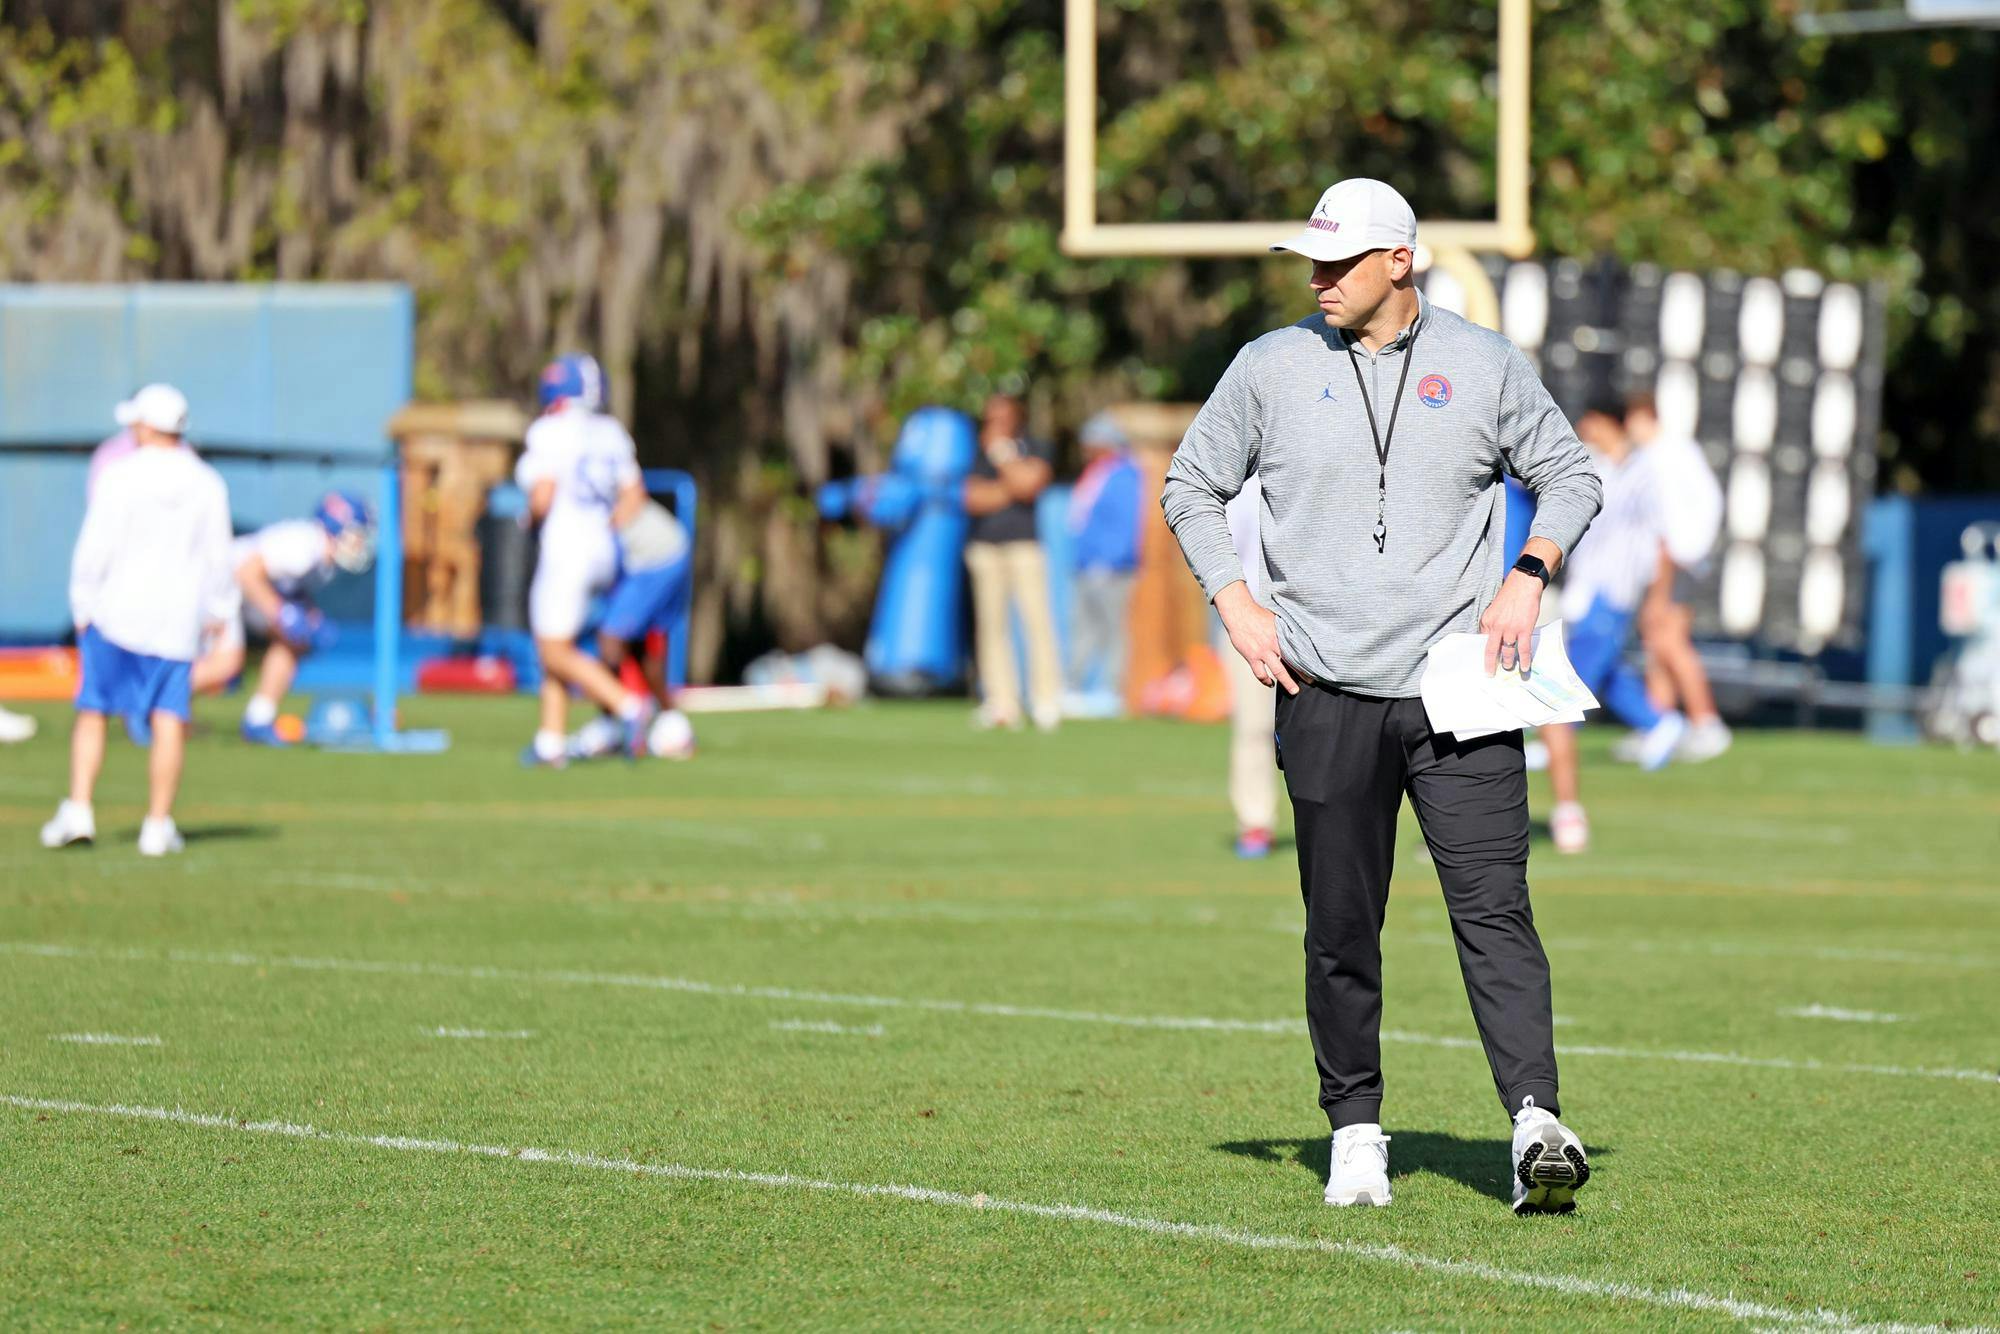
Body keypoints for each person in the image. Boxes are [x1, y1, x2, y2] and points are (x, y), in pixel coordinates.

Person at [1160, 178, 1602, 1215]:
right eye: (1308, 260)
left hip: (1460, 690)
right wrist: (1233, 598)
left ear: (1398, 260)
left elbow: (1570, 476)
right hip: (1323, 687)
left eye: (1336, 261)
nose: (1315, 278)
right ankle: (1354, 1130)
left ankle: (1536, 1117)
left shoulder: (1486, 365)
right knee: (1339, 926)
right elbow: (1189, 483)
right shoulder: (1266, 367)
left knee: (1494, 911)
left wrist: (1526, 572)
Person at [41, 384, 236, 857]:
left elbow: (95, 545)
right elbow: (218, 555)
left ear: (149, 426)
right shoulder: (208, 482)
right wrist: (217, 611)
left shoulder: (120, 475)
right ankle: (157, 822)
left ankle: (81, 807)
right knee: (169, 716)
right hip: (176, 620)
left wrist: (82, 601)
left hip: (117, 611)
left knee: (94, 711)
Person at [1540, 399, 1689, 854]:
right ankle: (1659, 724)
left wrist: (1658, 594)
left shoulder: (1645, 474)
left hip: (1617, 589)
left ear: (1610, 422)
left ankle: (1557, 751)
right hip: (1587, 587)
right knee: (1601, 670)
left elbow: (1662, 540)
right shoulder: (1596, 465)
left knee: (1571, 681)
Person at [517, 354, 657, 767]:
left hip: (567, 548)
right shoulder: (611, 431)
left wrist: (530, 517)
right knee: (559, 641)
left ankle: (628, 706)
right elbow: (635, 496)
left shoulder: (550, 431)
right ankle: (551, 740)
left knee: (552, 649)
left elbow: (542, 496)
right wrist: (605, 528)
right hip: (603, 548)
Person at [191, 491, 376, 745]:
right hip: (222, 584)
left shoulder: (324, 562)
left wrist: (312, 618)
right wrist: (283, 614)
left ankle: (258, 719)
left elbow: (290, 591)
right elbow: (247, 572)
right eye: (356, 535)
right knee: (225, 664)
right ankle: (152, 704)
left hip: (243, 590)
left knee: (294, 641)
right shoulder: (305, 546)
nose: (360, 544)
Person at [1620, 391, 1731, 763]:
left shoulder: (1662, 456)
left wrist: (1676, 560)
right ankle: (1659, 724)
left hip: (1674, 558)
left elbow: (1665, 525)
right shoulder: (1674, 452)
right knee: (1658, 643)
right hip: (1681, 557)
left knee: (1668, 640)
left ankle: (1705, 722)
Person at [568, 493, 697, 761]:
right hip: (666, 551)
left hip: (653, 558)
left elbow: (631, 496)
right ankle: (671, 723)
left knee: (610, 639)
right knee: (640, 644)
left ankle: (616, 721)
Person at [963, 392, 1062, 731]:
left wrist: (1004, 460)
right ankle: (1001, 701)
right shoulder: (974, 452)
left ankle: (1045, 699)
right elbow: (972, 498)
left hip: (1024, 547)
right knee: (992, 627)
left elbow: (1031, 484)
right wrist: (1012, 485)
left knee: (1036, 622)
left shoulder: (1034, 445)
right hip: (985, 548)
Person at [1063, 412, 1142, 717]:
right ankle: (1074, 689)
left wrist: (1107, 561)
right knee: (1083, 629)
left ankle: (1112, 692)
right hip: (1087, 567)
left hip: (1111, 570)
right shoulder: (1097, 472)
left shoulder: (1123, 474)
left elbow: (1124, 524)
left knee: (1112, 631)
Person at [1222, 474, 1279, 859]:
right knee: (1254, 727)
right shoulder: (1241, 485)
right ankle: (1255, 821)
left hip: (1320, 619)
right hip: (1253, 620)